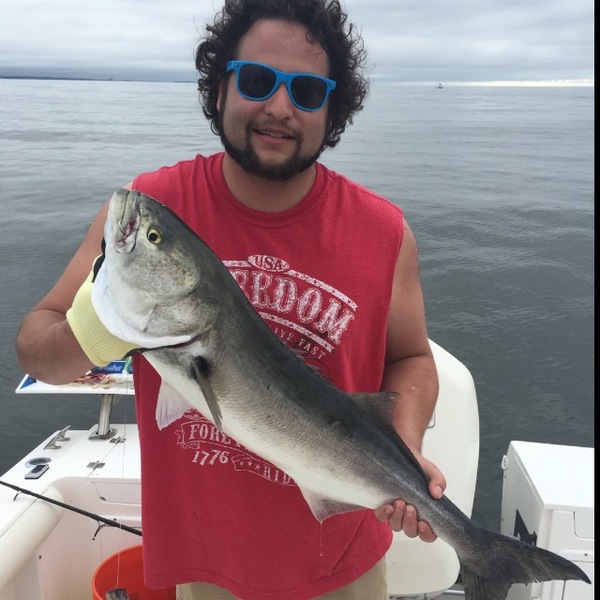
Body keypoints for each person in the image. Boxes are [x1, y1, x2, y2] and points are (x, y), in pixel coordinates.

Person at [16, 1, 446, 598]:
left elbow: (412, 359)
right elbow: (39, 352)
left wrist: (403, 447)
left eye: (307, 91)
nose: (279, 107)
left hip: (341, 559)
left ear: (332, 110)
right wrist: (104, 327)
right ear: (220, 89)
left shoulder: (383, 232)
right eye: (257, 80)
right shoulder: (153, 207)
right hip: (201, 560)